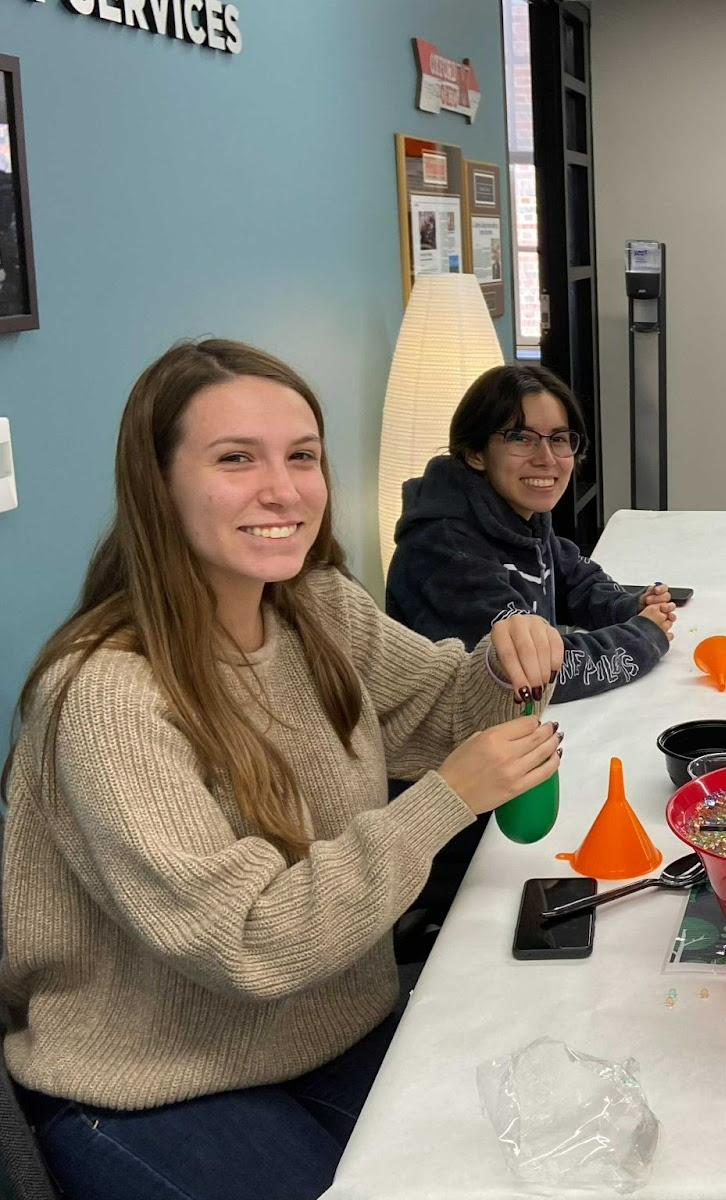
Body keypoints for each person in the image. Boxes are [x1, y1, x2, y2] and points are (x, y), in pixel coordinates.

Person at [0, 340, 564, 1200]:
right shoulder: (108, 695)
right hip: (157, 1082)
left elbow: (443, 711)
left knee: (539, 1161)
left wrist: (501, 666)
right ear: (158, 485)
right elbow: (248, 942)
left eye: (302, 456)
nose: (283, 490)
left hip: (330, 1028)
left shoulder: (315, 606)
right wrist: (447, 800)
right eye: (236, 459)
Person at [386, 363, 674, 704]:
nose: (547, 458)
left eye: (559, 438)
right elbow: (535, 671)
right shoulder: (444, 551)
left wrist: (628, 606)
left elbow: (575, 578)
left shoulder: (518, 515)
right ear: (475, 452)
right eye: (520, 437)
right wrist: (644, 636)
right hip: (455, 746)